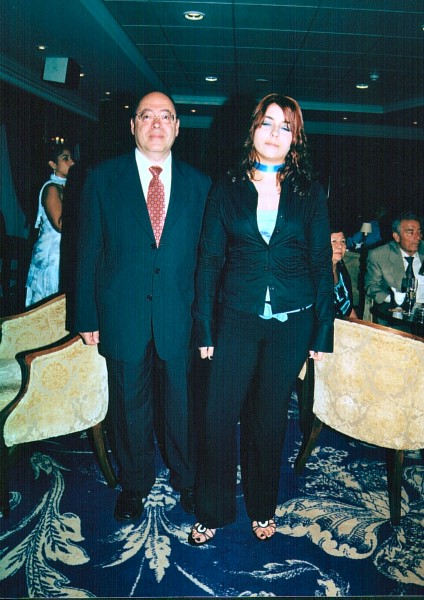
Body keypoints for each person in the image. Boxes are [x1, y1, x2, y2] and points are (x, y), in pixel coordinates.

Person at [188, 93, 334, 546]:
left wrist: (322, 331)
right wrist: (204, 326)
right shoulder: (226, 188)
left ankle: (263, 506)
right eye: (267, 123)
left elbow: (320, 261)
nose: (275, 133)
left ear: (296, 138)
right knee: (218, 416)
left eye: (285, 127)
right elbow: (209, 260)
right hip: (236, 316)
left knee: (269, 420)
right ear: (253, 128)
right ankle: (213, 508)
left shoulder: (309, 192)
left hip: (292, 322)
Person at [73, 91, 211, 523]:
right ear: (132, 125)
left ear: (177, 127)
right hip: (122, 314)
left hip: (180, 315)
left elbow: (209, 260)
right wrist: (86, 315)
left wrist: (207, 323)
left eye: (165, 117)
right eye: (146, 116)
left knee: (182, 406)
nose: (156, 124)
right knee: (128, 408)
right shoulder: (102, 178)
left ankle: (187, 479)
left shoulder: (201, 185)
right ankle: (134, 485)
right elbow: (88, 251)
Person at [25, 144, 75, 307]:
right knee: (48, 308)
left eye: (71, 158)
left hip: (63, 255)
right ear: (53, 164)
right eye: (65, 158)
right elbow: (60, 225)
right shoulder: (52, 188)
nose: (72, 162)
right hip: (52, 258)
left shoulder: (67, 188)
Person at [365, 212, 424, 306]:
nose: (418, 237)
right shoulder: (380, 255)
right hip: (395, 310)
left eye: (419, 232)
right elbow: (371, 286)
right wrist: (393, 298)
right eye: (410, 232)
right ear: (397, 237)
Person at [331, 230, 358, 318]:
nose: (340, 246)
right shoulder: (313, 274)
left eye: (343, 241)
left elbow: (347, 305)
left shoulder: (340, 267)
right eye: (334, 241)